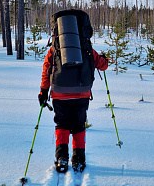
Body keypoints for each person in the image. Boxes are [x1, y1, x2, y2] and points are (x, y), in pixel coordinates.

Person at [38, 45, 108, 173]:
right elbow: (103, 66)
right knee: (79, 125)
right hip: (81, 94)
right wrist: (104, 59)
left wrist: (43, 91)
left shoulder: (55, 48)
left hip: (59, 94)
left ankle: (61, 158)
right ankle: (79, 159)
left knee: (61, 125)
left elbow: (46, 69)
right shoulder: (86, 46)